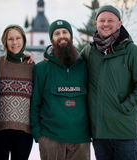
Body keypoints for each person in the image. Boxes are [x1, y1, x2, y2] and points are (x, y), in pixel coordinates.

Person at [81, 5, 137, 160]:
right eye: (102, 20)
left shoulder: (132, 51)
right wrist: (49, 56)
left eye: (110, 20)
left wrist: (126, 106)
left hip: (123, 132)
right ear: (96, 23)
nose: (105, 24)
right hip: (99, 132)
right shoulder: (89, 51)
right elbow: (69, 66)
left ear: (119, 24)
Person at [31, 19, 91, 160]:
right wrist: (39, 135)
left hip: (81, 139)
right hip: (51, 139)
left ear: (70, 36)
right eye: (57, 33)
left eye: (65, 32)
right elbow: (35, 104)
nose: (61, 36)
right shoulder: (41, 69)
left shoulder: (85, 66)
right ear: (52, 39)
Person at [0, 25, 34, 160]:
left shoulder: (32, 66)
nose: (14, 42)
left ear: (23, 40)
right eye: (10, 39)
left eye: (18, 38)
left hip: (24, 132)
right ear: (5, 42)